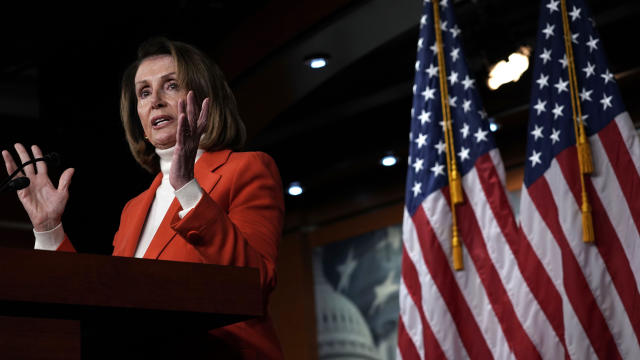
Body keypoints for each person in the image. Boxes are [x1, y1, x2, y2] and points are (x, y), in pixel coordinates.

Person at [1, 38, 285, 359]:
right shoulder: (134, 208)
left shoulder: (247, 169)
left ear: (206, 98)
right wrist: (50, 229)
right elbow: (105, 300)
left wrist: (188, 189)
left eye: (172, 85)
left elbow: (255, 284)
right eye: (144, 93)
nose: (156, 102)